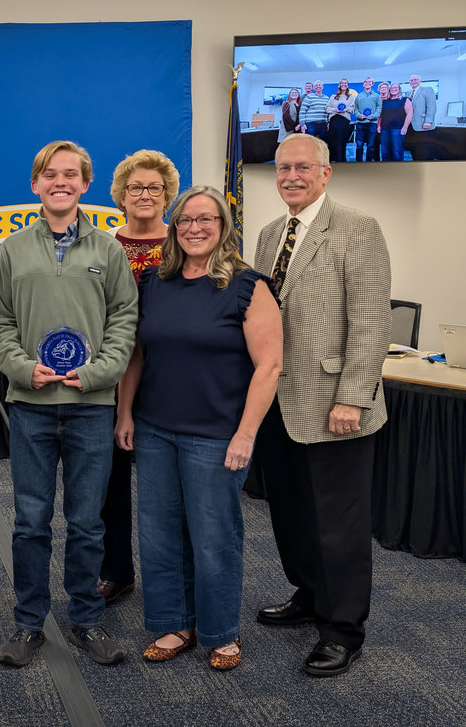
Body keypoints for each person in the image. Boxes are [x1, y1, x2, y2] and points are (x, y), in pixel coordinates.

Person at [115, 186, 282, 671]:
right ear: (173, 225)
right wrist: (126, 414)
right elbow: (137, 355)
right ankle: (173, 623)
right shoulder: (155, 282)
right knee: (160, 533)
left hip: (216, 435)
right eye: (185, 219)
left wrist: (246, 434)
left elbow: (269, 366)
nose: (194, 228)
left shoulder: (248, 286)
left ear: (223, 226)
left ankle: (220, 632)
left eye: (206, 219)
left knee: (214, 537)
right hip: (154, 430)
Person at [0, 140, 137, 668]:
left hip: (91, 405)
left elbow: (124, 320)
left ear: (85, 184)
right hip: (29, 404)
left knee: (87, 523)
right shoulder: (11, 250)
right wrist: (20, 367)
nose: (60, 182)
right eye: (50, 174)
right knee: (30, 520)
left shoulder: (108, 251)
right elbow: (1, 322)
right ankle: (28, 623)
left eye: (71, 175)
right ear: (35, 184)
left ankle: (86, 622)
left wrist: (98, 373)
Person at [254, 133, 390, 677]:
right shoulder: (268, 235)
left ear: (326, 173)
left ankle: (342, 629)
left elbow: (373, 321)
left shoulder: (358, 229)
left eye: (303, 168)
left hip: (336, 406)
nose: (291, 176)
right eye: (283, 167)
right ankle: (309, 594)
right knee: (290, 514)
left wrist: (354, 397)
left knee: (339, 524)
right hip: (279, 405)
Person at [97, 149, 179, 606]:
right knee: (110, 487)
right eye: (135, 188)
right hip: (113, 379)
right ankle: (116, 571)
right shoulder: (106, 247)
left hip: (170, 379)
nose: (144, 195)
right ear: (121, 197)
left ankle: (172, 578)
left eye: (154, 188)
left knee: (165, 489)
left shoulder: (185, 242)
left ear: (167, 196)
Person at [379, 83, 413, 162]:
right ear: (389, 90)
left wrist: (405, 127)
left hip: (398, 129)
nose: (393, 89)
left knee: (397, 151)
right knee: (385, 151)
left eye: (396, 88)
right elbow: (381, 115)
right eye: (392, 88)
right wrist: (379, 126)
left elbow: (410, 114)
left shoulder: (405, 99)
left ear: (399, 90)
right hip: (385, 129)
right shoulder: (385, 101)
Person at [407, 74, 437, 161]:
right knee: (415, 148)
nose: (413, 81)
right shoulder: (409, 93)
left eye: (415, 79)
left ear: (420, 81)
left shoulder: (427, 90)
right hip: (412, 125)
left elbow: (432, 106)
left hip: (424, 124)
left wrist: (428, 121)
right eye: (411, 80)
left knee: (425, 148)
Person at [325, 79, 356, 162]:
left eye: (345, 83)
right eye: (342, 83)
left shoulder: (351, 97)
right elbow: (327, 108)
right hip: (334, 120)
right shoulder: (333, 96)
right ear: (339, 85)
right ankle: (332, 160)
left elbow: (353, 109)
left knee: (342, 141)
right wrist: (335, 110)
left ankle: (341, 160)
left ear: (348, 85)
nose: (344, 84)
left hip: (344, 121)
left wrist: (346, 109)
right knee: (333, 141)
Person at [353, 77, 382, 162]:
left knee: (370, 146)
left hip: (372, 123)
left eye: (370, 82)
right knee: (359, 145)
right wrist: (359, 115)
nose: (368, 83)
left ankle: (368, 163)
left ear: (372, 84)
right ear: (363, 84)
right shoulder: (358, 96)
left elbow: (379, 108)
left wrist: (372, 116)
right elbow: (355, 109)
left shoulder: (377, 96)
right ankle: (358, 163)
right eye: (366, 82)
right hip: (360, 123)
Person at [373, 81, 390, 161]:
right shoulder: (376, 99)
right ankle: (376, 160)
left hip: (387, 125)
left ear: (388, 89)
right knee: (375, 143)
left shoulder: (391, 100)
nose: (383, 89)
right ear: (379, 89)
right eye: (382, 87)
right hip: (375, 124)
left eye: (385, 87)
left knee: (386, 145)